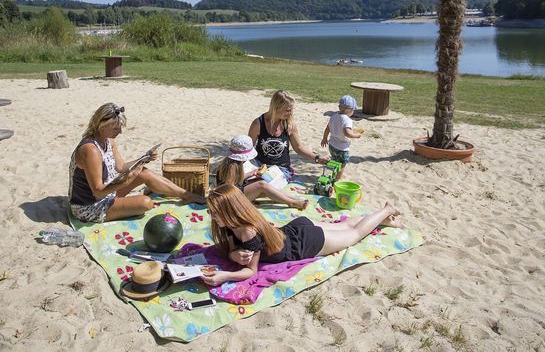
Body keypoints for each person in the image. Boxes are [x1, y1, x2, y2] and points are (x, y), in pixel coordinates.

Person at [200, 184, 402, 286]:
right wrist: (233, 255)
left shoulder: (247, 231)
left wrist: (225, 276)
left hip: (304, 243)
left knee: (354, 234)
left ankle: (386, 210)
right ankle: (381, 220)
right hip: (294, 229)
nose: (212, 217)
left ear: (229, 211)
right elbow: (233, 249)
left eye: (215, 213)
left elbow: (251, 272)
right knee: (345, 226)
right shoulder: (231, 222)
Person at [68, 103, 205, 223]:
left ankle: (186, 195)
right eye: (116, 128)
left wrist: (144, 158)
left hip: (107, 194)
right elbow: (97, 191)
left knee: (144, 172)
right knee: (146, 203)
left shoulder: (108, 140)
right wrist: (127, 180)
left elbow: (121, 167)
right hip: (90, 206)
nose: (120, 131)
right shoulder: (90, 150)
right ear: (101, 126)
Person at [215, 135, 308, 210]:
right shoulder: (232, 167)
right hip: (230, 199)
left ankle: (292, 198)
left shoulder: (232, 162)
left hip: (234, 192)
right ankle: (291, 202)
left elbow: (235, 179)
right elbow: (229, 188)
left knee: (269, 189)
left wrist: (251, 174)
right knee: (262, 185)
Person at [248, 90, 330, 174]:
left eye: (291, 110)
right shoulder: (258, 124)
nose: (290, 113)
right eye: (287, 110)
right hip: (260, 166)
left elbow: (299, 148)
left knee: (266, 182)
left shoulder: (289, 124)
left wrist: (317, 158)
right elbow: (248, 149)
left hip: (281, 168)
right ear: (276, 107)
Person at [320, 95, 362, 180]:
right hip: (342, 148)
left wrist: (324, 138)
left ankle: (334, 174)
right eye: (353, 109)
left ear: (340, 107)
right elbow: (347, 133)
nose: (353, 111)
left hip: (332, 145)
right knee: (342, 164)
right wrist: (356, 135)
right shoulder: (347, 120)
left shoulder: (333, 116)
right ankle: (337, 179)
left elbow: (328, 128)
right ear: (349, 109)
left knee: (336, 161)